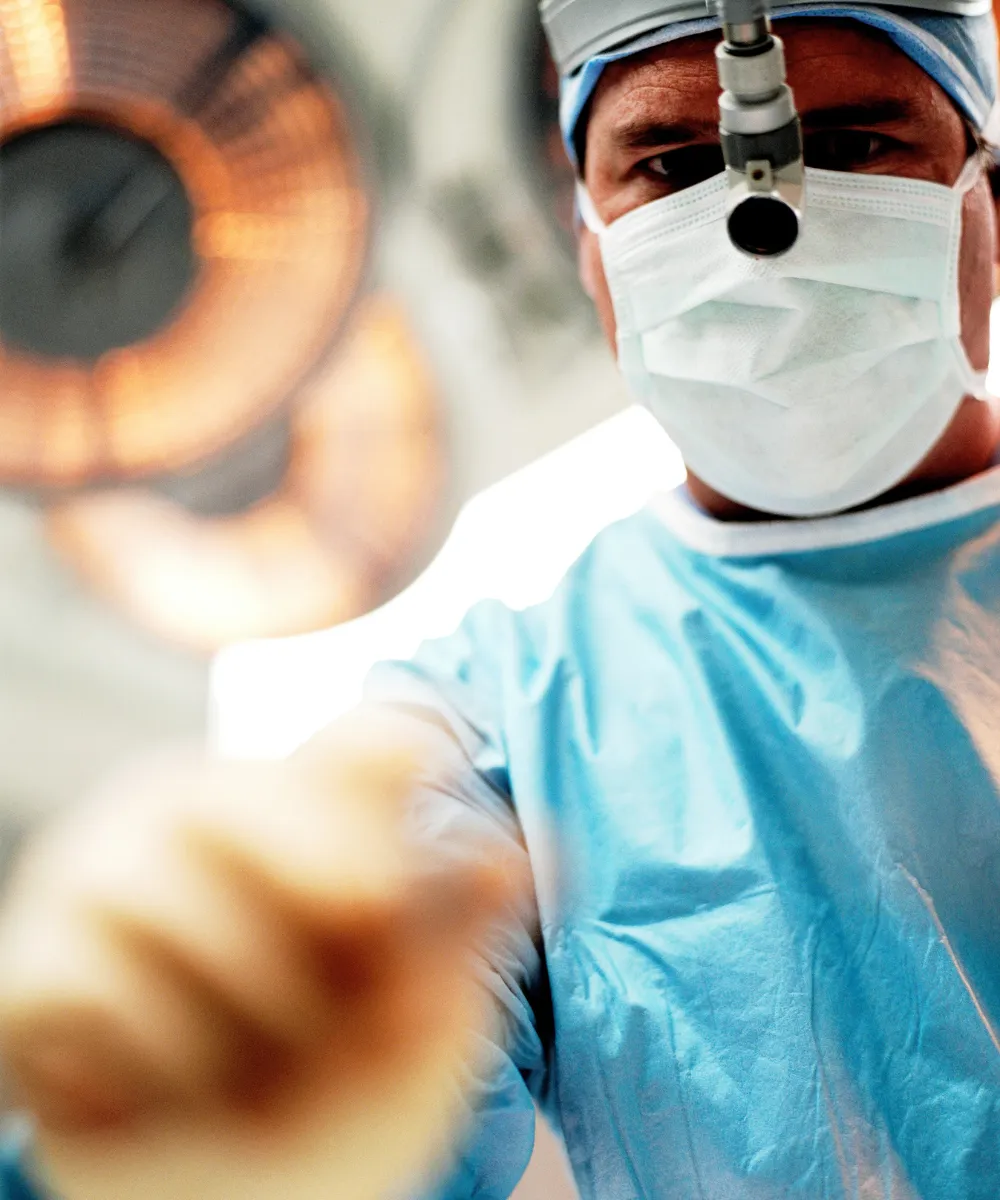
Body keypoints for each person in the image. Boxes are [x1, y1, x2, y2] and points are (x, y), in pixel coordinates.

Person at [3, 0, 1000, 1196]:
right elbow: (380, 1064)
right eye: (669, 167)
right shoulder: (498, 727)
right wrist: (204, 1102)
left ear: (984, 204)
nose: (761, 228)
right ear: (589, 249)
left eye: (859, 145)